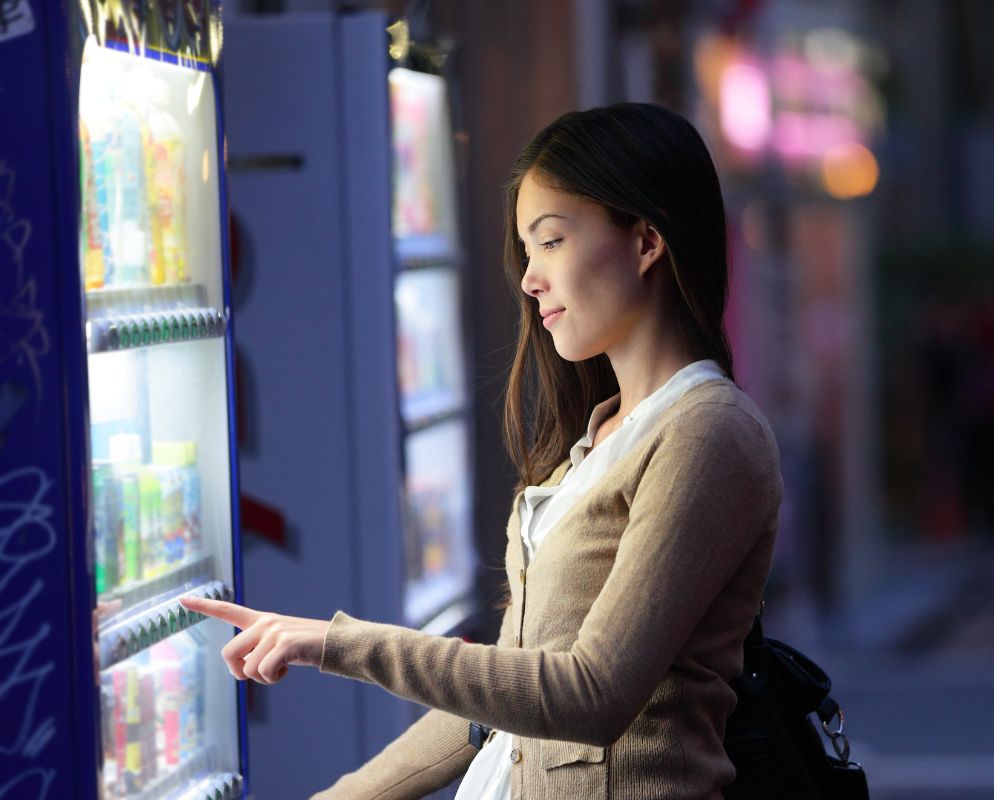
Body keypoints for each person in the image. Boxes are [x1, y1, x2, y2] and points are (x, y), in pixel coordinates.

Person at [181, 102, 783, 800]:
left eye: (551, 241)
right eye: (527, 252)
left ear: (646, 241)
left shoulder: (708, 433)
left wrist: (335, 643)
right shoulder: (597, 441)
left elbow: (592, 693)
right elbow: (496, 705)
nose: (529, 279)